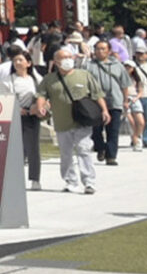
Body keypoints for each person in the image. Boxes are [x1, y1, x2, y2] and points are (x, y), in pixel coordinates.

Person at [43, 47, 102, 195]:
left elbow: (97, 94)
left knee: (84, 149)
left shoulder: (84, 75)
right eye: (63, 58)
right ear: (56, 62)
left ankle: (89, 182)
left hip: (82, 121)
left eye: (70, 56)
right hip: (62, 121)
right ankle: (71, 181)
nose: (68, 60)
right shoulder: (49, 79)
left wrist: (105, 111)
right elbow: (41, 95)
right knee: (66, 153)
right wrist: (40, 106)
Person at [5, 49, 45, 189]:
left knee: (33, 148)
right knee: (16, 149)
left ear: (28, 63)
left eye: (20, 60)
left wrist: (38, 107)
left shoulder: (36, 79)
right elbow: (4, 98)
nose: (17, 63)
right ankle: (16, 178)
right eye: (15, 60)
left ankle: (35, 179)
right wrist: (16, 109)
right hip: (14, 115)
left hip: (32, 116)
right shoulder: (8, 80)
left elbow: (44, 94)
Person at [85, 40, 128, 166]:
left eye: (103, 49)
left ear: (109, 51)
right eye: (98, 49)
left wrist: (125, 100)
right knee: (95, 129)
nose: (100, 51)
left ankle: (111, 156)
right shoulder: (88, 65)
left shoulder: (117, 65)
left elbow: (124, 84)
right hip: (95, 102)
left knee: (113, 130)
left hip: (114, 100)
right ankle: (100, 148)